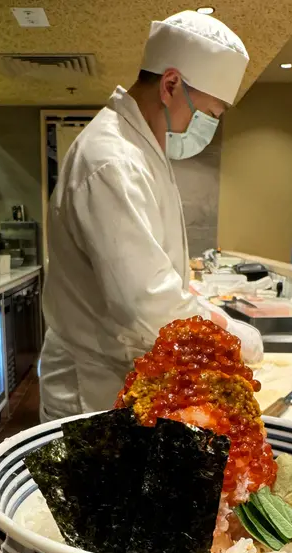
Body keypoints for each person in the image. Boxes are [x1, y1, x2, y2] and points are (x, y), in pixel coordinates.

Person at [39, 10, 261, 422]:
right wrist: (227, 335)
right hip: (90, 386)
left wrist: (209, 315)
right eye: (211, 114)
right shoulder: (112, 159)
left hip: (121, 376)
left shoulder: (142, 149)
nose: (210, 126)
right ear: (170, 84)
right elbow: (146, 301)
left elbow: (160, 275)